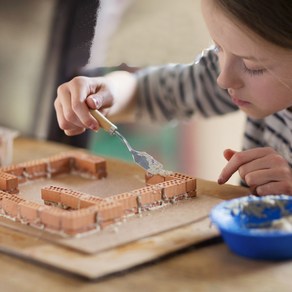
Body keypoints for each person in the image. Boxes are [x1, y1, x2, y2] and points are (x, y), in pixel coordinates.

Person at [54, 0, 292, 196]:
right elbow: (157, 92)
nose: (223, 80)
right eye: (218, 48)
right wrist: (109, 92)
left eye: (253, 66)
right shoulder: (238, 77)